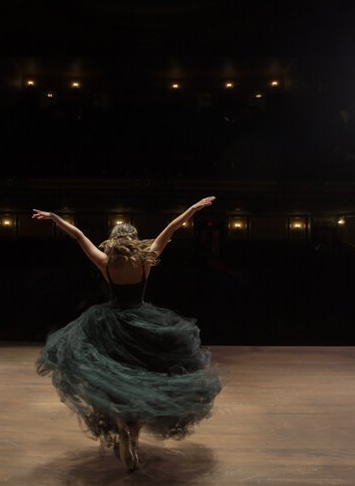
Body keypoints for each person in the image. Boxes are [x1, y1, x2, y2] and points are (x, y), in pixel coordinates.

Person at [32, 196, 225, 472]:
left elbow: (78, 235)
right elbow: (171, 228)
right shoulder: (146, 259)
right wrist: (194, 209)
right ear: (135, 239)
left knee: (116, 381)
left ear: (112, 239)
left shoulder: (105, 261)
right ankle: (132, 437)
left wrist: (53, 216)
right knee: (143, 383)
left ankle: (122, 427)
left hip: (108, 325)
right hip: (142, 324)